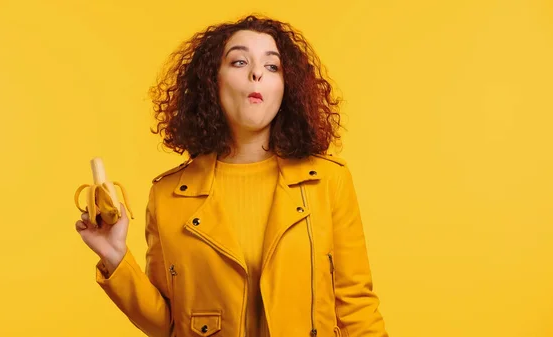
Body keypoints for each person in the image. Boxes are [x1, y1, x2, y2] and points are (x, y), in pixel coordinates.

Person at [75, 14, 388, 337]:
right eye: (239, 62)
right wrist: (115, 256)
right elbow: (169, 325)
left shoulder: (328, 180)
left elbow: (356, 307)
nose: (256, 73)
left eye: (272, 67)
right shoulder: (169, 194)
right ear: (212, 81)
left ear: (287, 87)